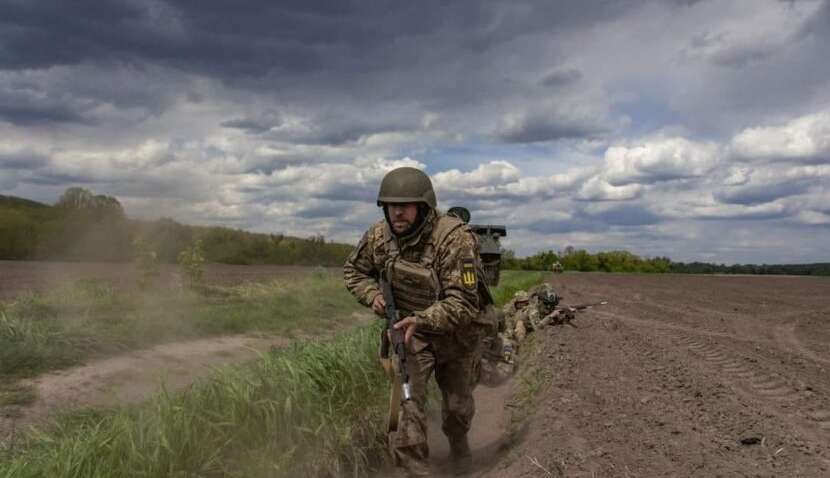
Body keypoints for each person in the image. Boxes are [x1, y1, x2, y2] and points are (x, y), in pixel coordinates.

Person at [343, 167, 491, 477]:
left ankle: (459, 445)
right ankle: (412, 469)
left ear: (423, 206)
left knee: (456, 409)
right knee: (405, 404)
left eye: (405, 205)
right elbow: (353, 272)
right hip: (410, 337)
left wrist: (421, 319)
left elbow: (464, 302)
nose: (397, 212)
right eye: (390, 205)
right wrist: (373, 296)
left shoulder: (456, 239)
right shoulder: (377, 238)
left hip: (457, 335)